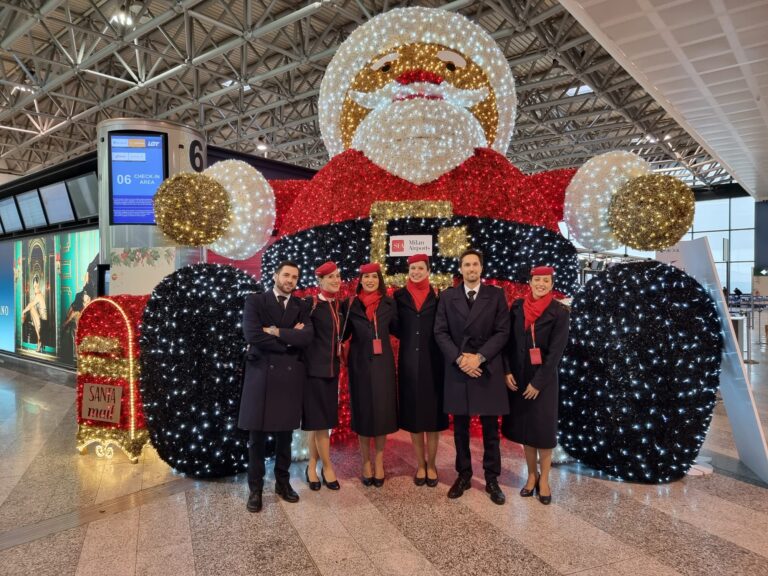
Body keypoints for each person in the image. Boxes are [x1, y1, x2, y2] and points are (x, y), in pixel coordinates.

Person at [434, 249, 510, 505]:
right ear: (461, 269)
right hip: (459, 368)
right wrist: (460, 359)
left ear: (481, 268)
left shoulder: (496, 295)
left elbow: (502, 332)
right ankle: (464, 475)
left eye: (475, 264)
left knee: (490, 429)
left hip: (486, 367)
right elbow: (440, 332)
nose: (471, 269)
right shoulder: (447, 296)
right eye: (466, 264)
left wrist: (478, 358)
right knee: (461, 429)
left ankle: (491, 478)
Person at [238, 261, 313, 513]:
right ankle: (255, 490)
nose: (290, 280)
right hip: (260, 376)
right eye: (286, 275)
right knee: (256, 438)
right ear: (275, 276)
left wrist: (275, 331)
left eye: (295, 276)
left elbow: (306, 338)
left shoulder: (302, 306)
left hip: (288, 379)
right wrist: (289, 337)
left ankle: (283, 484)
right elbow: (252, 335)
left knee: (285, 437)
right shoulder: (255, 301)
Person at [502, 266, 570, 505]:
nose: (541, 284)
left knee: (543, 433)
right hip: (519, 377)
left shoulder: (559, 312)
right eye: (537, 280)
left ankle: (545, 480)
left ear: (552, 284)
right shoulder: (518, 307)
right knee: (526, 432)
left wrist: (538, 382)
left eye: (546, 280)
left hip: (544, 381)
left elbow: (555, 353)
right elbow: (508, 342)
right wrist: (507, 370)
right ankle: (531, 475)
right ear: (530, 282)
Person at [393, 254, 447, 487]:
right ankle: (420, 464)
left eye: (420, 268)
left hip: (435, 362)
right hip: (408, 362)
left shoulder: (439, 296)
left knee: (433, 418)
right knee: (415, 418)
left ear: (428, 270)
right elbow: (395, 326)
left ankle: (432, 464)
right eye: (412, 268)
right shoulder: (398, 296)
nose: (416, 272)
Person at [342, 262, 398, 487]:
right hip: (359, 366)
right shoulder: (350, 304)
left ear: (379, 279)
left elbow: (399, 329)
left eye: (374, 277)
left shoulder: (389, 304)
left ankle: (379, 461)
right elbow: (342, 334)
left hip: (383, 365)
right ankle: (365, 462)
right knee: (364, 412)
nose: (370, 281)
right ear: (360, 281)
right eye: (366, 278)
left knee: (382, 413)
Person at [302, 261, 342, 491]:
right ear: (320, 281)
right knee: (320, 423)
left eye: (337, 276)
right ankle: (327, 467)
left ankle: (312, 464)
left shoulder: (339, 305)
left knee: (320, 423)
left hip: (332, 371)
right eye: (330, 277)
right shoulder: (311, 304)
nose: (335, 280)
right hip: (312, 372)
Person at [21, 275, 47, 352]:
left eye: (36, 286)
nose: (35, 288)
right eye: (34, 286)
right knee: (31, 308)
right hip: (41, 321)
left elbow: (31, 305)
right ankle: (40, 341)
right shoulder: (37, 295)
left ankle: (40, 341)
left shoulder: (39, 295)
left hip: (43, 323)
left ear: (39, 286)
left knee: (31, 307)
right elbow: (31, 305)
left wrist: (23, 312)